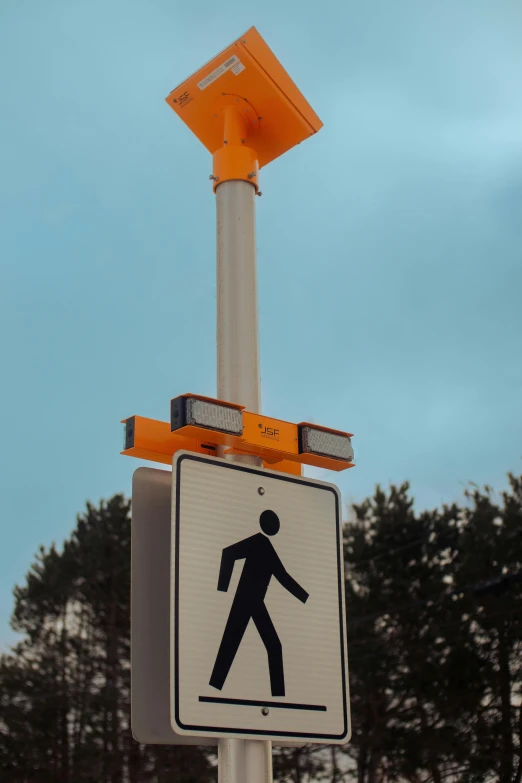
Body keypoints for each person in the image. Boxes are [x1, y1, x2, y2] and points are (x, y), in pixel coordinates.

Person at [209, 509, 308, 697]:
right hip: (244, 599)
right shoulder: (257, 542)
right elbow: (228, 553)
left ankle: (278, 696)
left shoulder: (267, 548)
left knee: (272, 646)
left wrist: (305, 597)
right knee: (231, 644)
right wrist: (222, 588)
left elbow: (283, 577)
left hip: (255, 602)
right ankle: (214, 687)